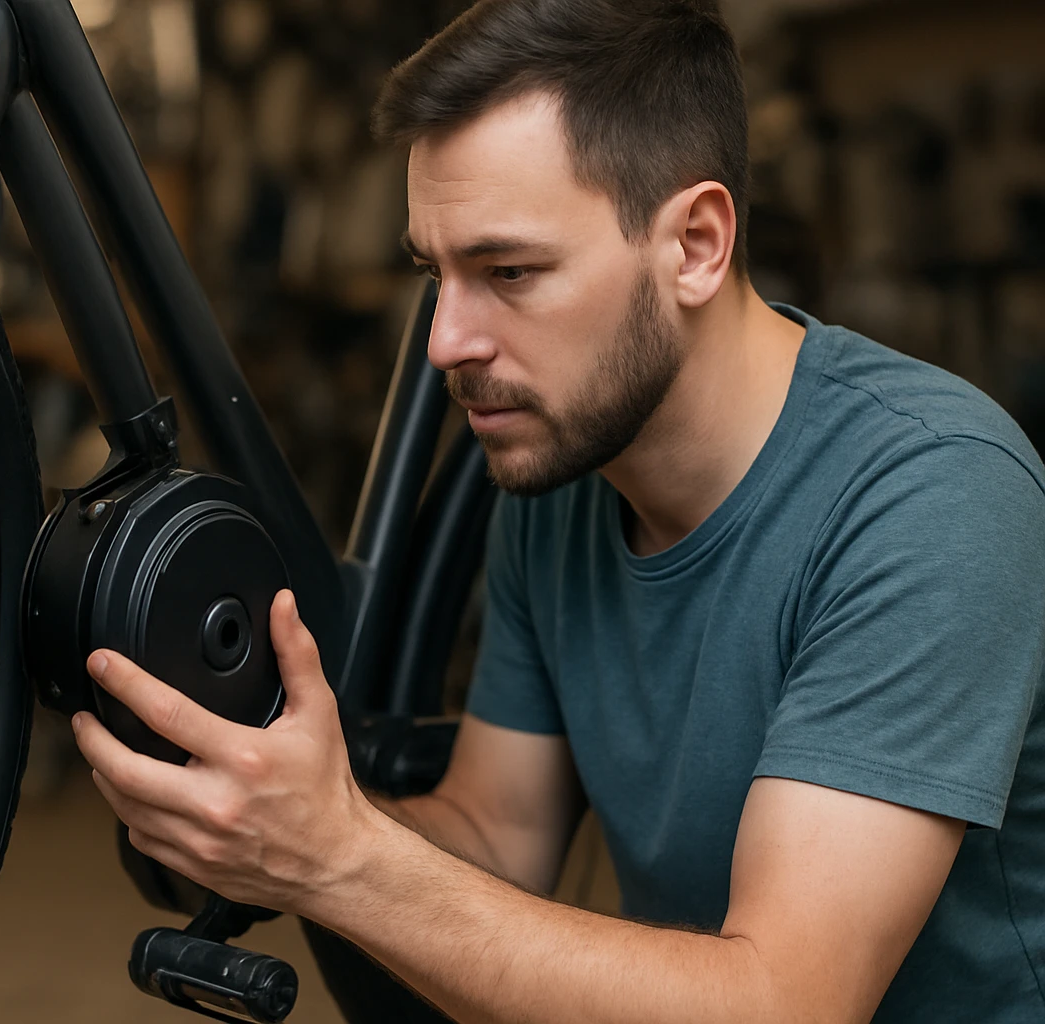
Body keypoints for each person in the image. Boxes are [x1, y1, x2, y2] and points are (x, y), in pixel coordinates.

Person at [70, 1, 1045, 1020]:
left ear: (697, 244)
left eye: (509, 272)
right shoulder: (569, 476)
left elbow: (783, 1001)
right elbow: (498, 838)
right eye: (432, 274)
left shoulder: (933, 495)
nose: (446, 339)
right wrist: (262, 804)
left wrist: (336, 855)